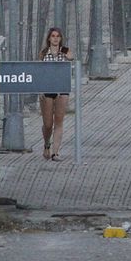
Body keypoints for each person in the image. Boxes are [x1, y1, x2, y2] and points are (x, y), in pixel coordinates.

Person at [38, 27, 73, 161]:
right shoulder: (43, 53)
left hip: (62, 88)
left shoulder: (64, 50)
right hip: (48, 89)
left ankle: (55, 152)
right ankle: (47, 143)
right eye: (53, 36)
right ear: (49, 38)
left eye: (58, 36)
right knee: (48, 124)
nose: (55, 38)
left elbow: (71, 57)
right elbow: (38, 71)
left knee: (59, 121)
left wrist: (65, 53)